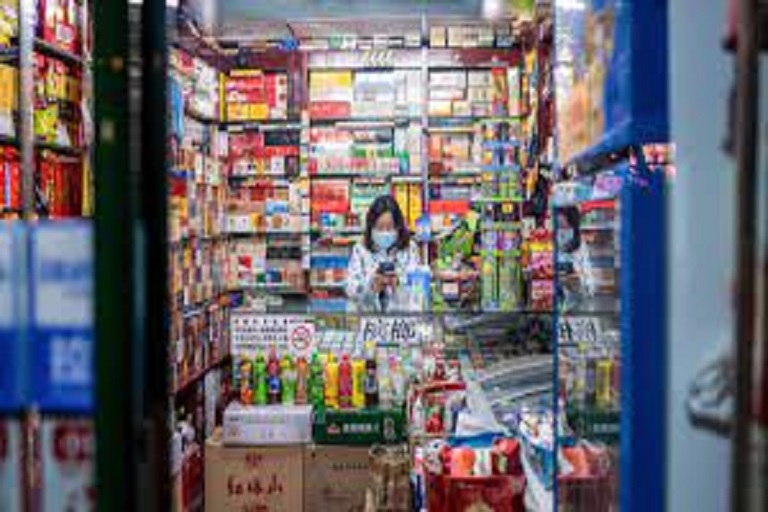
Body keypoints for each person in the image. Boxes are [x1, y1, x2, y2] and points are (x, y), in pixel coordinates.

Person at [346, 195, 422, 312]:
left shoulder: (410, 248)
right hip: (369, 318)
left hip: (402, 317)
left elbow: (419, 287)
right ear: (371, 226)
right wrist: (371, 286)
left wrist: (399, 283)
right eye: (380, 227)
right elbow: (350, 288)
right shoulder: (360, 249)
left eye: (389, 227)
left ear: (398, 226)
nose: (385, 232)